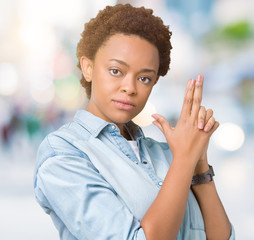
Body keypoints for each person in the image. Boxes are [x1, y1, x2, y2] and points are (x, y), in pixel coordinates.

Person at [34, 4, 235, 240]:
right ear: (88, 68)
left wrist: (198, 165)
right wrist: (184, 160)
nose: (130, 88)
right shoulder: (64, 154)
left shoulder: (167, 154)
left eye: (144, 78)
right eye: (116, 71)